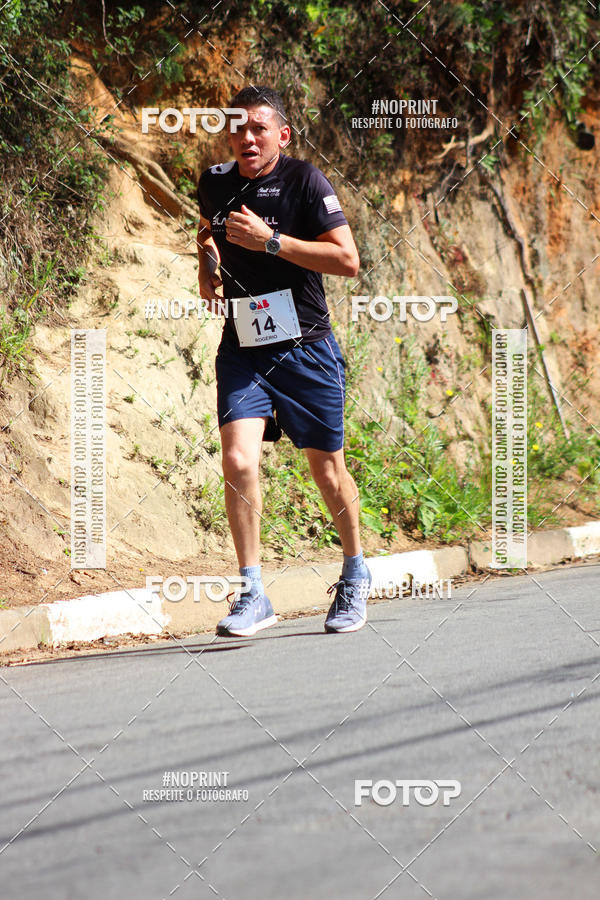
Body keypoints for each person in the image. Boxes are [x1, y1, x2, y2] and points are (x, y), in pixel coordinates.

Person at [196, 85, 371, 637]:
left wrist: (271, 242)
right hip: (244, 347)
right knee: (239, 461)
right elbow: (207, 228)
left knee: (327, 470)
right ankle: (253, 594)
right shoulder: (216, 180)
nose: (247, 138)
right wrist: (207, 263)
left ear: (281, 136)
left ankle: (355, 572)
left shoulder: (305, 181)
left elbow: (347, 260)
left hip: (306, 348)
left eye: (258, 129)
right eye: (238, 128)